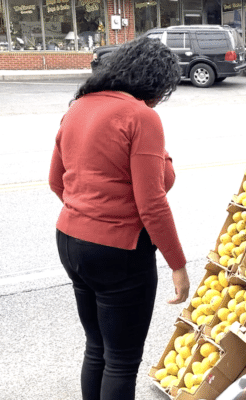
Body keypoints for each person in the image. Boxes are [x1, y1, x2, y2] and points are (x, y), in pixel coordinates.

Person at [48, 36, 190, 400]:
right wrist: (177, 265)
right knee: (122, 362)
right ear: (154, 83)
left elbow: (56, 181)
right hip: (119, 251)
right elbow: (153, 201)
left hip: (70, 240)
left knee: (96, 348)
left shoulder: (78, 107)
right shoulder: (142, 117)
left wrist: (90, 212)